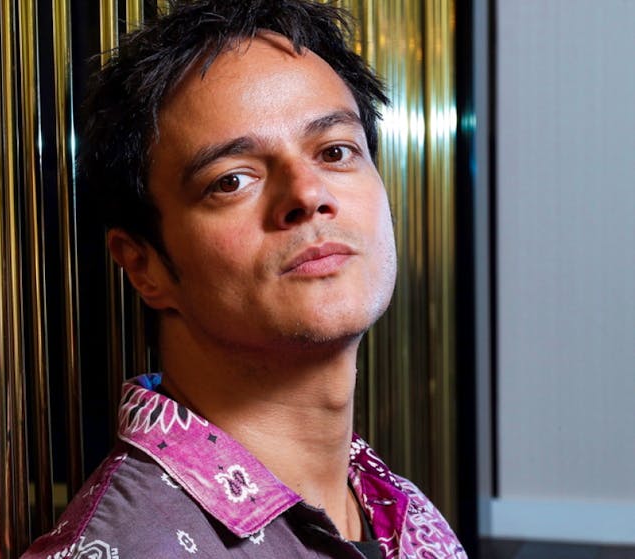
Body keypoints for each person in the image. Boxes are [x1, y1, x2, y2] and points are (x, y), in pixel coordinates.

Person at [24, 0, 465, 557]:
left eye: (335, 151)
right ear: (143, 265)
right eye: (231, 180)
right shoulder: (126, 544)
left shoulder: (404, 512)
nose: (307, 194)